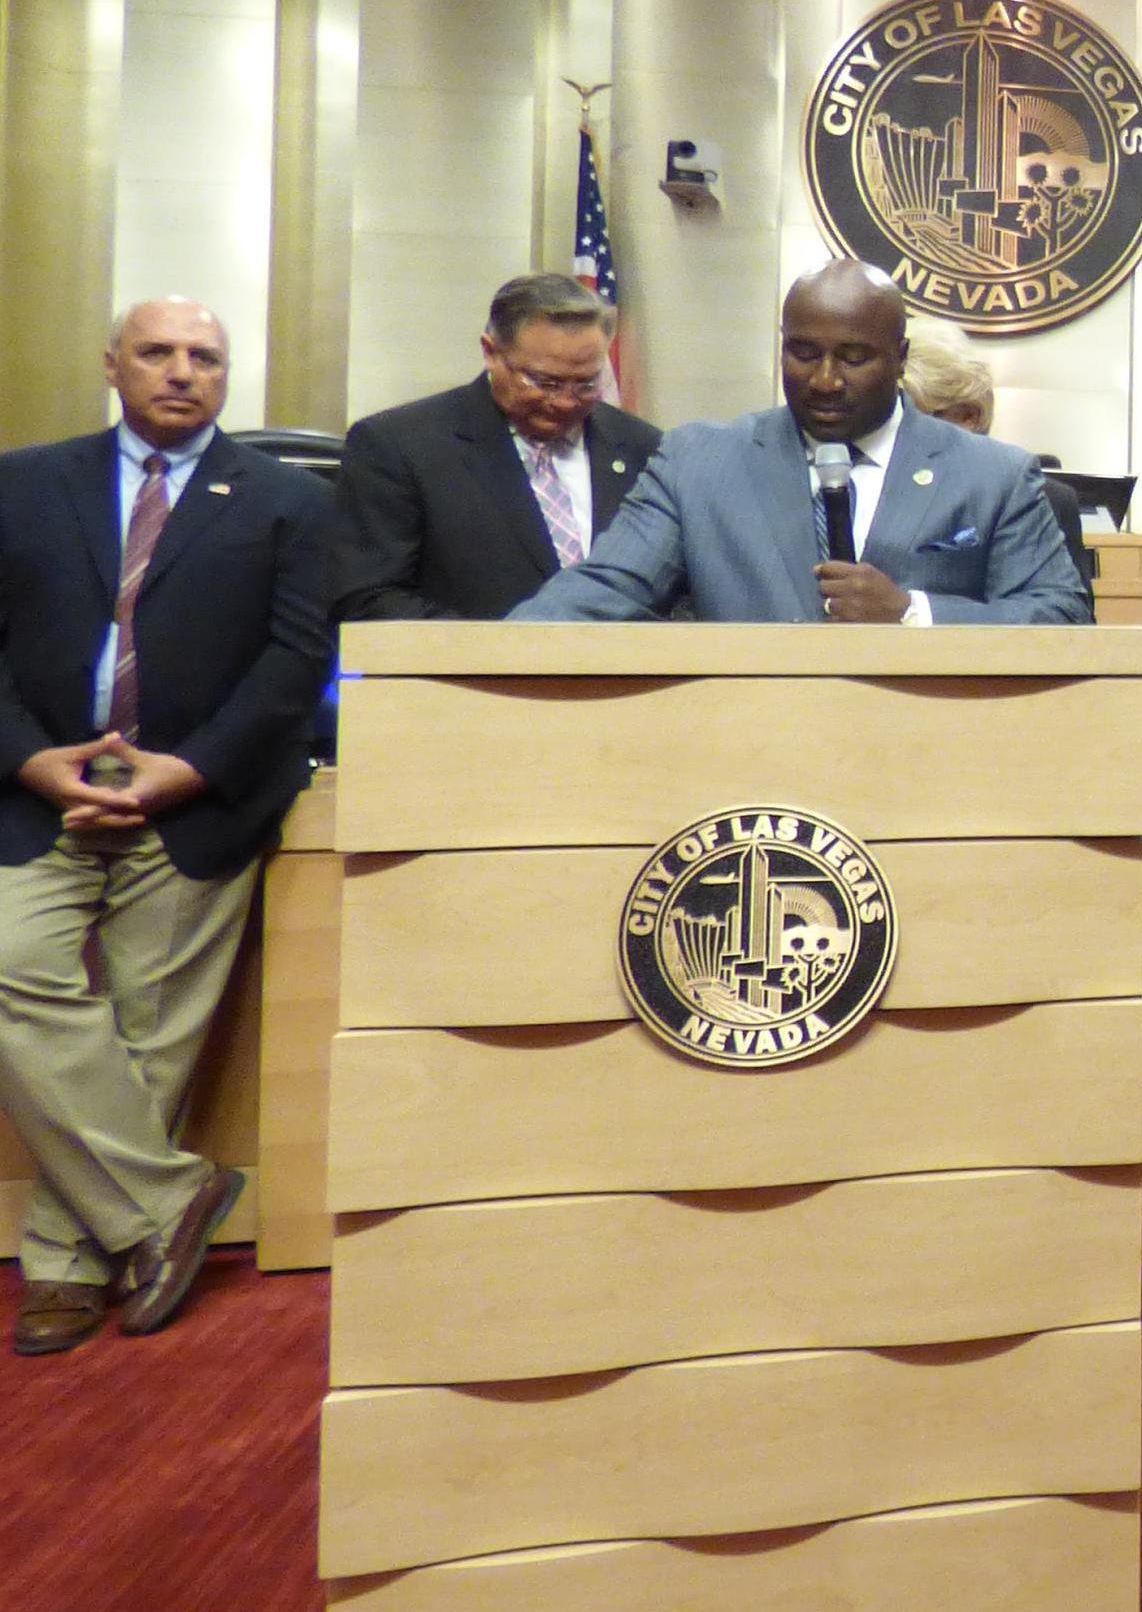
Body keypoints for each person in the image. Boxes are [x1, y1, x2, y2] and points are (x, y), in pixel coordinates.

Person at [0, 300, 332, 1355]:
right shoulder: (24, 481)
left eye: (206, 356)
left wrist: (183, 771)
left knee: (152, 1032)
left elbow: (292, 666)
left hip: (197, 799)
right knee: (15, 962)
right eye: (158, 352)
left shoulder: (289, 499)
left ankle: (65, 1259)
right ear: (111, 364)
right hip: (44, 787)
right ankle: (170, 1201)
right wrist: (32, 759)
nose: (182, 371)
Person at [509, 261, 1087, 625]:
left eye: (855, 358)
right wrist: (473, 657)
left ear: (900, 359)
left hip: (927, 762)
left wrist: (914, 611)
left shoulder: (994, 476)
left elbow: (1058, 618)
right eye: (803, 353)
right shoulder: (699, 462)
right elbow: (605, 589)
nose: (826, 380)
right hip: (749, 763)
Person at [329, 272, 662, 621]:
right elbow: (369, 598)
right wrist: (503, 651)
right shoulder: (399, 446)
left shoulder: (643, 448)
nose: (565, 402)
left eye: (586, 384)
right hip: (462, 672)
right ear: (491, 352)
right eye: (545, 382)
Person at [903, 326, 1093, 578]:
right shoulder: (858, 490)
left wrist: (914, 609)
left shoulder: (1045, 502)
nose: (900, 435)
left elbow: (1066, 614)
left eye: (914, 419)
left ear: (969, 416)